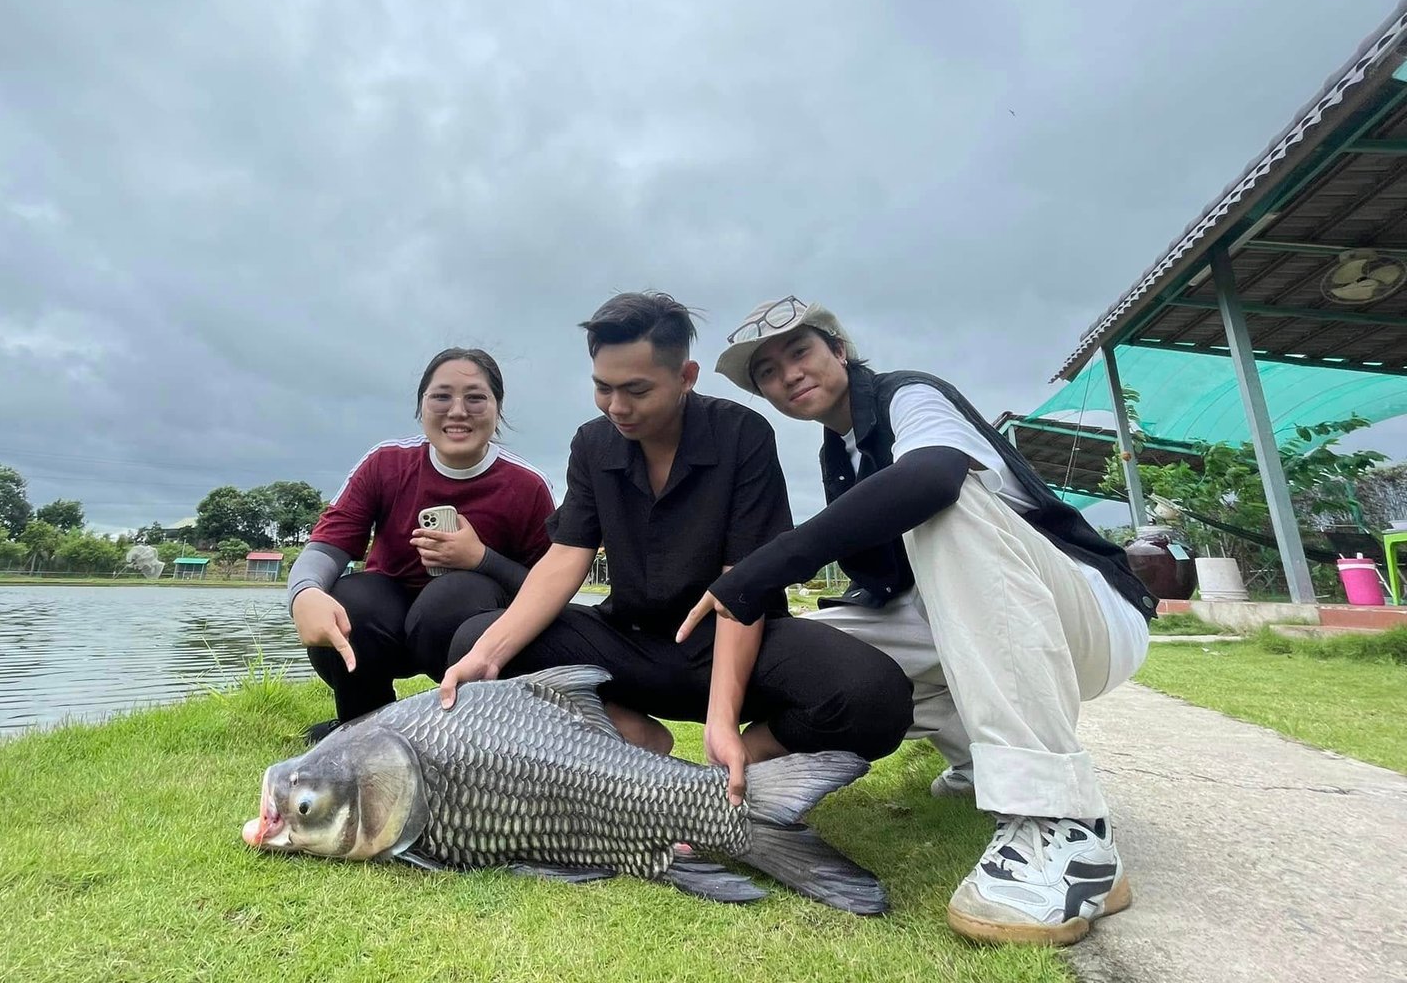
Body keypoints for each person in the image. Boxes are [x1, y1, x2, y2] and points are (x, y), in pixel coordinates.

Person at [695, 295, 1155, 946]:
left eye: (799, 351)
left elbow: (933, 479)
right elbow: (887, 593)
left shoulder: (908, 396)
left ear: (840, 350)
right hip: (989, 624)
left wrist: (762, 568)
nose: (788, 374)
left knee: (942, 504)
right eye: (767, 372)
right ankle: (975, 761)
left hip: (1090, 613)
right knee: (817, 653)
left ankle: (1064, 826)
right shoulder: (838, 454)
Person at [441, 292, 913, 803]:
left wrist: (722, 721)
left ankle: (746, 762)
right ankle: (632, 743)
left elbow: (742, 585)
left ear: (686, 377)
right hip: (630, 643)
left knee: (873, 695)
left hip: (733, 646)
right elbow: (566, 558)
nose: (617, 407)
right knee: (476, 640)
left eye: (637, 390)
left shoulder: (742, 434)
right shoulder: (592, 444)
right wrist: (487, 657)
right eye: (603, 388)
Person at [286, 347, 555, 743]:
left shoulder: (527, 485)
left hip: (468, 631)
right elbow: (327, 545)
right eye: (441, 396)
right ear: (421, 406)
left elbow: (549, 586)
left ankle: (464, 731)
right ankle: (364, 728)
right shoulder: (385, 463)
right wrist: (304, 592)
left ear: (498, 408)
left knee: (452, 596)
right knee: (351, 598)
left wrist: (481, 559)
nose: (458, 411)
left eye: (475, 398)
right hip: (385, 627)